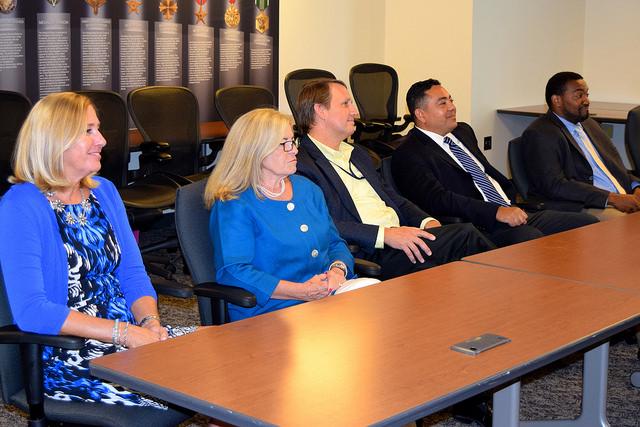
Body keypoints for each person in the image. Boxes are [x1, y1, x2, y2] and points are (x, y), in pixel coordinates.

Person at [0, 92, 194, 409]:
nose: (102, 140)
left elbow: (132, 273)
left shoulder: (103, 191)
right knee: (198, 383)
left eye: (98, 129)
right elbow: (33, 311)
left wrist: (149, 323)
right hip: (71, 353)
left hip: (128, 336)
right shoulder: (21, 205)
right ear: (55, 140)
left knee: (219, 358)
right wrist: (123, 334)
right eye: (89, 130)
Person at [294, 79, 495, 280]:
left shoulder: (359, 154)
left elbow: (393, 198)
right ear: (320, 110)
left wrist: (427, 222)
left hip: (403, 237)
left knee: (461, 243)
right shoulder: (302, 165)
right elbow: (323, 224)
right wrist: (385, 235)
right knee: (464, 239)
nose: (355, 112)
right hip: (370, 249)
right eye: (345, 104)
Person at [392, 79, 598, 248]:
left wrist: (509, 203)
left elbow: (486, 173)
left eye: (451, 100)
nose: (452, 107)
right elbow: (438, 199)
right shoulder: (409, 153)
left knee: (587, 225)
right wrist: (495, 212)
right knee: (533, 241)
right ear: (421, 114)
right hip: (478, 224)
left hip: (512, 209)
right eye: (442, 103)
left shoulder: (463, 132)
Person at [206, 108, 359, 322]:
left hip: (327, 296)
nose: (294, 150)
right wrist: (301, 291)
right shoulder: (234, 203)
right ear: (256, 151)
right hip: (274, 310)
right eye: (285, 143)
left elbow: (335, 243)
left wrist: (338, 270)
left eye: (293, 141)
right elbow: (234, 271)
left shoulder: (307, 189)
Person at [522, 71, 640, 220]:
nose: (586, 101)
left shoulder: (590, 124)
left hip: (619, 196)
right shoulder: (541, 133)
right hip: (582, 206)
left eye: (587, 94)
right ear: (557, 100)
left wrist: (636, 186)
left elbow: (615, 168)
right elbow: (555, 185)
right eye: (579, 95)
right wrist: (611, 198)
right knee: (629, 224)